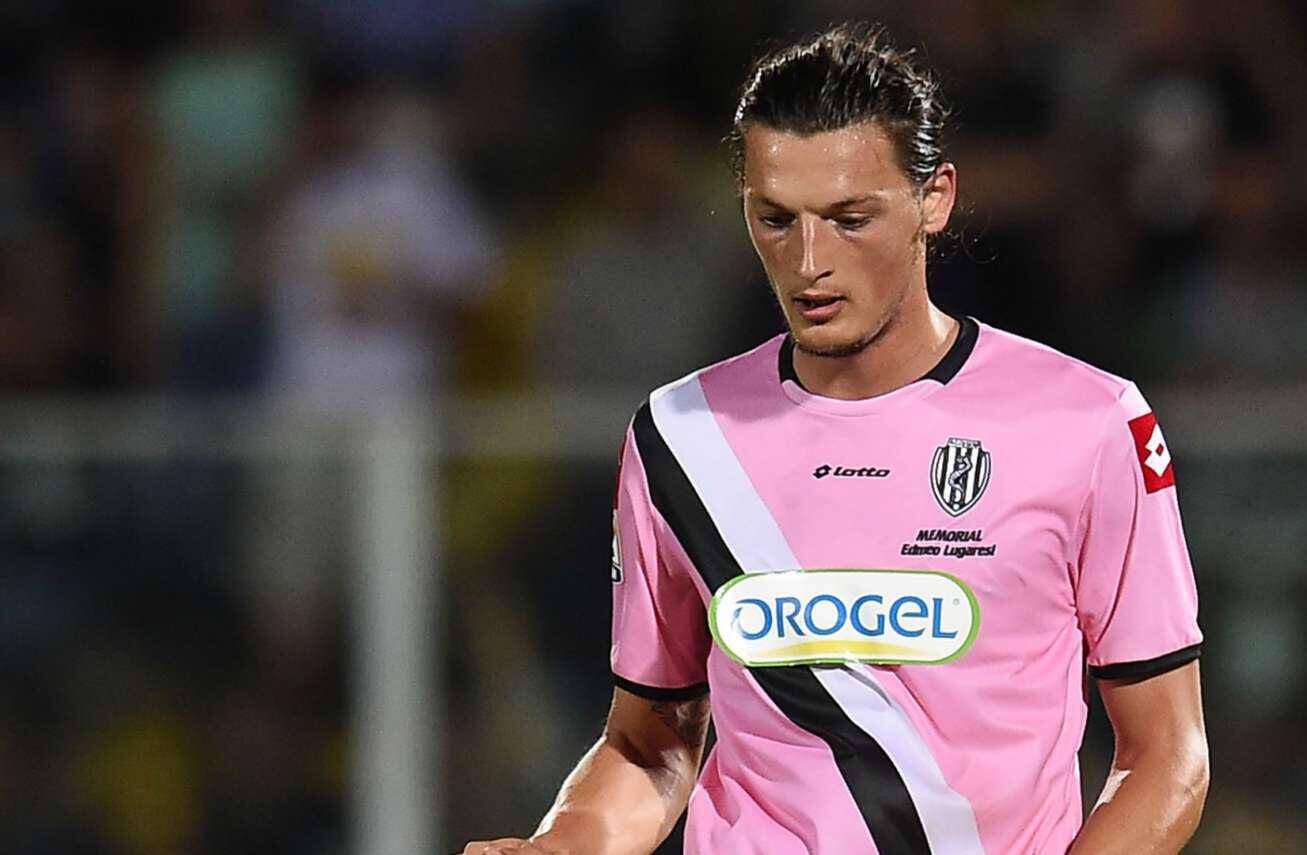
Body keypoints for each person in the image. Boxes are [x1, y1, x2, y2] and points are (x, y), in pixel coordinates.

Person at [463, 23, 1207, 855]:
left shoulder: (1088, 422)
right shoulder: (680, 439)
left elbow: (1166, 755)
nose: (809, 260)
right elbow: (651, 742)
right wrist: (563, 843)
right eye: (775, 219)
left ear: (935, 198)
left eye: (850, 218)